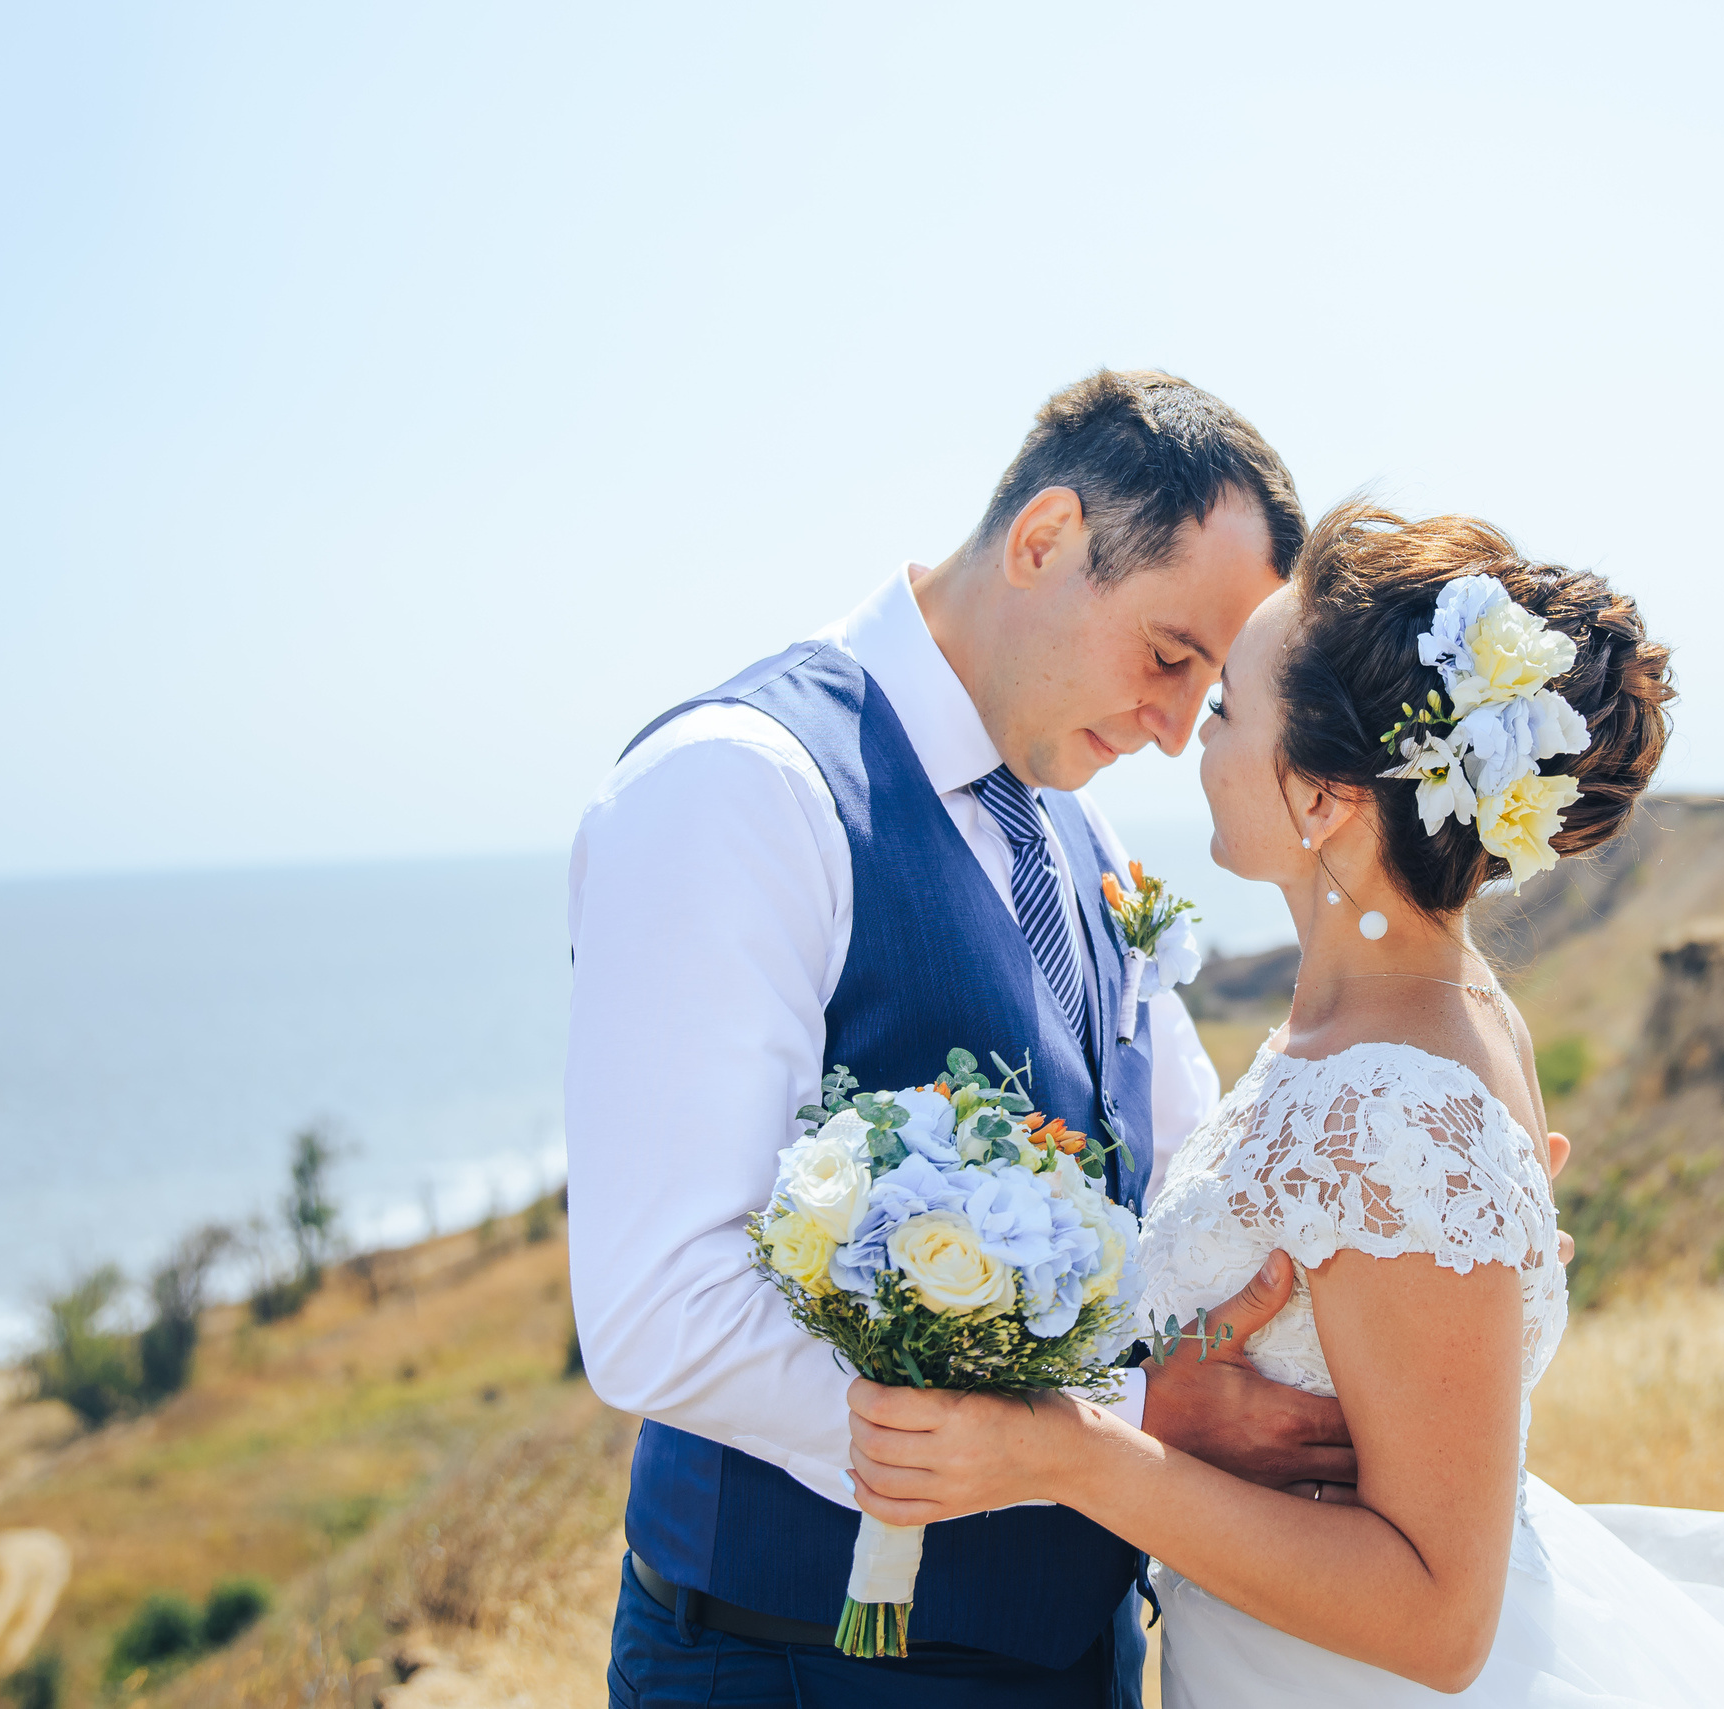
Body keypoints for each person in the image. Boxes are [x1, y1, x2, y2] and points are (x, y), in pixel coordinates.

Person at [843, 501, 1724, 1706]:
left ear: (1320, 797)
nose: (1187, 744)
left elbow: (1436, 1618)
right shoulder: (1414, 1021)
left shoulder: (1394, 1101)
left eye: (1222, 713)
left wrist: (1076, 1453)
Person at [565, 369, 1354, 1708]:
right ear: (1045, 540)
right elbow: (661, 1310)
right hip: (802, 1664)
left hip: (1081, 1654)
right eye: (1170, 656)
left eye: (1211, 685)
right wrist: (1112, 1429)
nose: (1175, 731)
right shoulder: (741, 789)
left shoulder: (1078, 822)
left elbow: (1163, 1174)